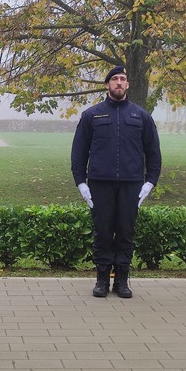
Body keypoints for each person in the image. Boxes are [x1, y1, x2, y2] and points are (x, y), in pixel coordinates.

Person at [71, 66, 162, 298]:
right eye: (115, 79)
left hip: (132, 184)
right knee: (102, 232)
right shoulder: (92, 115)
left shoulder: (141, 116)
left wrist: (150, 181)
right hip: (100, 183)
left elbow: (153, 152)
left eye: (123, 79)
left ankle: (121, 280)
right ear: (107, 85)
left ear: (128, 85)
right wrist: (81, 182)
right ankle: (102, 280)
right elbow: (79, 152)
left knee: (125, 232)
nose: (119, 82)